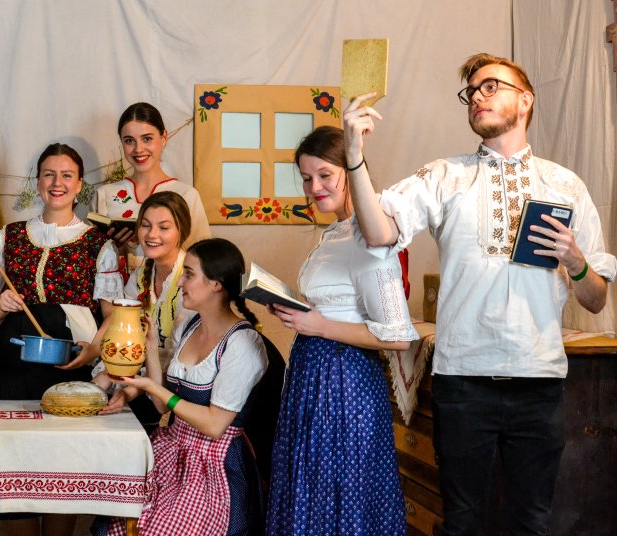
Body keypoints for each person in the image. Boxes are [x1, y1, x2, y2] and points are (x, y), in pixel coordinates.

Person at [342, 53, 616, 535]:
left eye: (491, 86)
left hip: (539, 380)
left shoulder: (565, 185)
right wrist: (353, 157)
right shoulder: (445, 175)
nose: (477, 96)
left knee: (531, 522)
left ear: (526, 100)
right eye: (471, 90)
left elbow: (595, 300)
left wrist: (575, 262)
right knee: (462, 522)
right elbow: (379, 231)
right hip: (462, 379)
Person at [264, 126, 418, 535]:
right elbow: (340, 303)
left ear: (350, 171)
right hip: (314, 377)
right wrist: (298, 309)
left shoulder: (371, 235)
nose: (314, 187)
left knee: (342, 492)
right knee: (313, 489)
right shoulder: (335, 230)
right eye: (306, 178)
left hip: (346, 384)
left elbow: (398, 336)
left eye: (324, 175)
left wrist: (319, 324)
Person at [0, 143, 122, 536]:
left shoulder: (99, 244)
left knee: (63, 460)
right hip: (12, 361)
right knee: (12, 458)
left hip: (70, 358)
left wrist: (92, 353)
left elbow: (111, 315)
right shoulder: (8, 237)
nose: (57, 183)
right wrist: (0, 302)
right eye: (49, 174)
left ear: (80, 185)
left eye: (67, 175)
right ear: (37, 181)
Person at [96, 238, 268, 536]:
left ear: (216, 284)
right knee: (119, 517)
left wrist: (153, 387)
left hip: (213, 463)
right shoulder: (188, 326)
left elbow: (214, 425)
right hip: (172, 447)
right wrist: (151, 349)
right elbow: (162, 406)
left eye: (188, 274)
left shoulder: (242, 343)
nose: (179, 283)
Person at [82, 191, 193, 432]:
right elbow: (128, 337)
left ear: (181, 231)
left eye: (164, 227)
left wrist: (132, 389)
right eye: (145, 225)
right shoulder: (141, 276)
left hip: (178, 391)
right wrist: (109, 375)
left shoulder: (191, 282)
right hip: (144, 376)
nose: (152, 235)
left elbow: (177, 361)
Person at [92, 102, 211, 268]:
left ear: (164, 138)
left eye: (147, 139)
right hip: (116, 284)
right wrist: (114, 248)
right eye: (129, 141)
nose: (138, 149)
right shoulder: (105, 194)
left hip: (172, 284)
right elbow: (91, 258)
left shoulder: (186, 195)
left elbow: (202, 260)